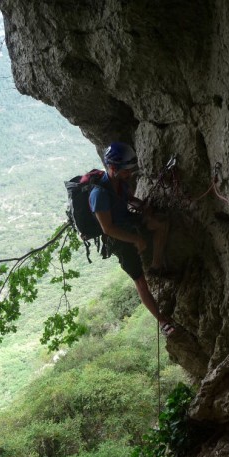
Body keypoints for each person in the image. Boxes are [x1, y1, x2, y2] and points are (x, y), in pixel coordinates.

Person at [89, 141, 175, 335]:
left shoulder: (119, 182)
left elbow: (127, 199)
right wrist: (136, 240)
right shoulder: (99, 194)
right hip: (118, 239)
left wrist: (142, 205)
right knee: (140, 281)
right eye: (126, 170)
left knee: (161, 223)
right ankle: (162, 322)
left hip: (129, 222)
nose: (130, 174)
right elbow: (108, 228)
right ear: (113, 168)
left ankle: (156, 266)